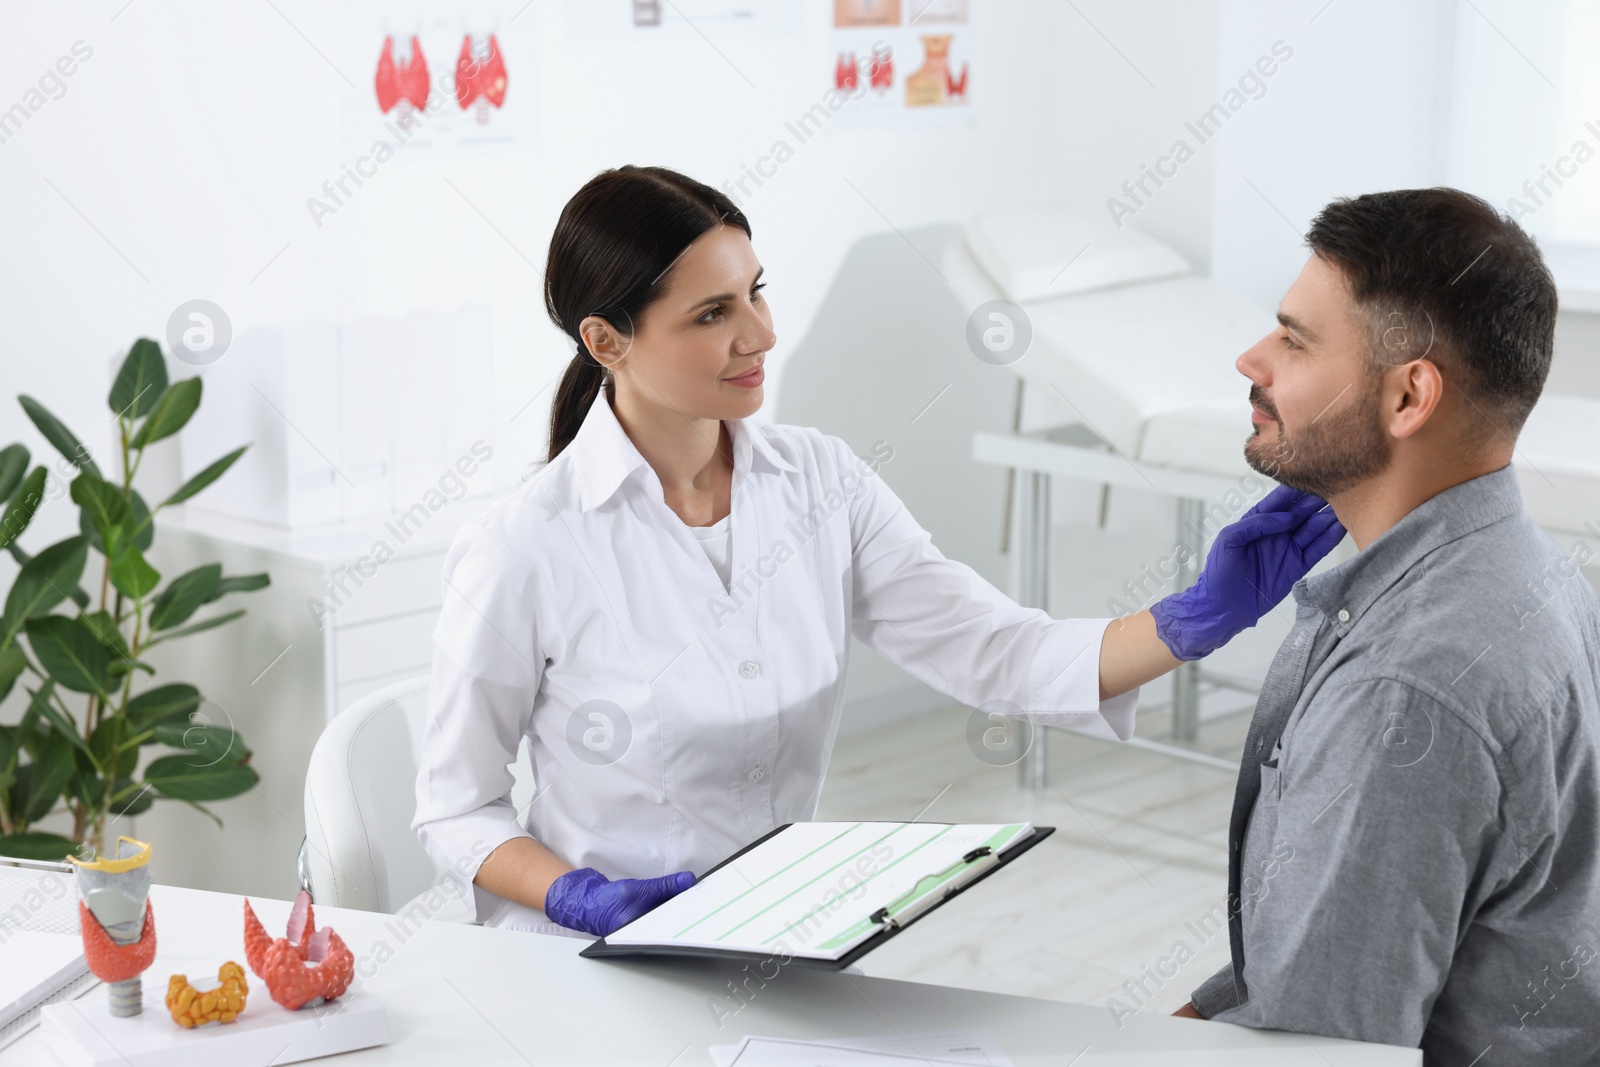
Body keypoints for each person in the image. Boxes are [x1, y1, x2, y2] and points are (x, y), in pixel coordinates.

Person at [411, 165, 1343, 940]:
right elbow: (457, 810)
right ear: (606, 340)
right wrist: (578, 895)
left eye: (757, 291)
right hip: (590, 962)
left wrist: (1191, 620)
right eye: (712, 314)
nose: (761, 334)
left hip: (772, 936)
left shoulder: (820, 482)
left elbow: (996, 650)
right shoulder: (526, 544)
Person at [1171, 187, 1600, 1064]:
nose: (1252, 359)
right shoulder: (1540, 570)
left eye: (1294, 339)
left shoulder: (1408, 691)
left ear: (1410, 397)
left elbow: (1323, 1050)